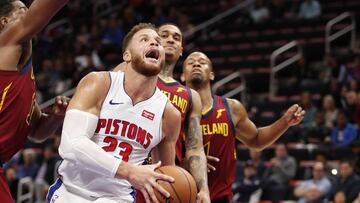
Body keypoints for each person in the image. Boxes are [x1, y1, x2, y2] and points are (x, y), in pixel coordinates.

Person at [47, 23, 181, 203]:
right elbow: (71, 145)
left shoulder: (169, 114)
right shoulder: (99, 83)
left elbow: (165, 177)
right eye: (144, 39)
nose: (155, 43)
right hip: (71, 191)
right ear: (127, 55)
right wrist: (129, 171)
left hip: (118, 198)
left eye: (158, 42)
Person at [181, 51, 305, 202]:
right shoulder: (173, 110)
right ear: (182, 76)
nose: (196, 64)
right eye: (190, 62)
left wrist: (284, 122)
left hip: (221, 198)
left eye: (202, 62)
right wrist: (188, 163)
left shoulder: (231, 108)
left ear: (212, 75)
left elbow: (257, 140)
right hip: (183, 196)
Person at [114, 24, 210, 202]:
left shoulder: (190, 96)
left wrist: (203, 189)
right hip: (124, 172)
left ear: (181, 50)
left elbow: (194, 148)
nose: (170, 39)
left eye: (176, 37)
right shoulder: (127, 70)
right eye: (163, 36)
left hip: (163, 180)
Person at [0, 0, 69, 202]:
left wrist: (56, 116)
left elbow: (37, 132)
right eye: (24, 11)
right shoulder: (4, 43)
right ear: (4, 22)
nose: (30, 14)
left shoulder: (22, 73)